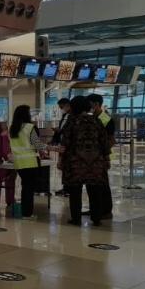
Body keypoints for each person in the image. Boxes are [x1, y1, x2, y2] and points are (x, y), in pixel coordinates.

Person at [61, 96, 111, 226]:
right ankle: (96, 218)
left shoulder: (72, 122)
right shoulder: (96, 121)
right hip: (96, 162)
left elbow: (65, 142)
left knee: (75, 192)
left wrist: (61, 159)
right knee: (95, 191)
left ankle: (76, 218)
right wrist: (107, 158)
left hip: (75, 162)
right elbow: (104, 142)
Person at [8, 105, 62, 218]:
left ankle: (25, 212)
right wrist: (53, 149)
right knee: (28, 189)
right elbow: (37, 144)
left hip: (18, 162)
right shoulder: (30, 127)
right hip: (30, 162)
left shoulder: (12, 128)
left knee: (25, 187)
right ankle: (27, 213)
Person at [87, 94, 115, 220]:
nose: (89, 106)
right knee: (93, 184)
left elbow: (111, 139)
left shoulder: (106, 119)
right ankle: (95, 208)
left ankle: (106, 210)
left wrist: (104, 154)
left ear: (96, 103)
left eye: (90, 103)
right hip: (92, 157)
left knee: (103, 184)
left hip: (102, 156)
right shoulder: (91, 117)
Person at [0, 124, 16, 210]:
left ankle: (5, 199)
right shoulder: (4, 136)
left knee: (7, 178)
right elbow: (4, 149)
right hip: (3, 161)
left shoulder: (6, 136)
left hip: (7, 161)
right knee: (1, 179)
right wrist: (8, 157)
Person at [52, 98, 72, 197]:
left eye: (62, 107)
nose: (62, 109)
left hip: (69, 145)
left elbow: (67, 130)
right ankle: (65, 187)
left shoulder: (73, 116)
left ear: (67, 105)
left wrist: (59, 131)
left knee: (69, 167)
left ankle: (69, 188)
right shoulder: (65, 115)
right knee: (63, 167)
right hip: (63, 142)